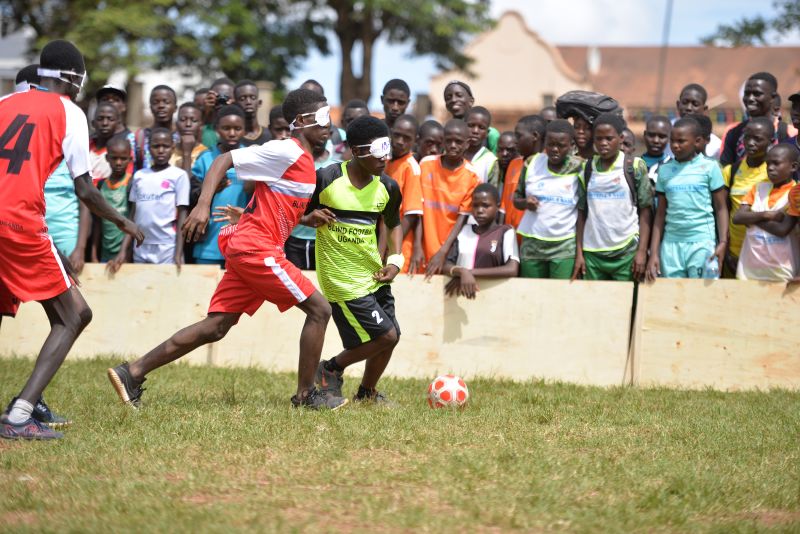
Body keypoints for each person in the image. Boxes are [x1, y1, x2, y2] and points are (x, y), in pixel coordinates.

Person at [107, 88, 347, 411]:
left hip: (250, 246)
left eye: (329, 116)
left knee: (216, 325)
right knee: (320, 309)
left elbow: (275, 202)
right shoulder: (286, 151)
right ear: (301, 122)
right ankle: (306, 396)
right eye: (321, 117)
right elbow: (224, 159)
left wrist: (305, 216)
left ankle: (132, 372)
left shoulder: (300, 160)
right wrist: (203, 205)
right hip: (257, 248)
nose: (328, 124)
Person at [0, 40, 143, 440]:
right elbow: (85, 189)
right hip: (18, 222)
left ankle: (30, 403)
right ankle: (19, 415)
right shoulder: (69, 112)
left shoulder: (4, 102)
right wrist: (123, 222)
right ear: (72, 77)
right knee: (75, 314)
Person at [309, 116, 403, 403]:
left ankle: (366, 393)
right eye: (377, 151)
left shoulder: (387, 187)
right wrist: (308, 218)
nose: (384, 158)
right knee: (385, 336)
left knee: (393, 335)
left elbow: (393, 222)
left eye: (386, 150)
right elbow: (294, 212)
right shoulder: (326, 179)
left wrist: (395, 261)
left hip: (373, 275)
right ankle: (330, 369)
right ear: (354, 150)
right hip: (341, 279)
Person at [573, 113, 653, 281]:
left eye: (609, 138)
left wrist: (641, 252)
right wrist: (579, 254)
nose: (603, 144)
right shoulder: (587, 168)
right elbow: (581, 213)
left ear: (621, 138)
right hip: (592, 253)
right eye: (598, 139)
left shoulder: (635, 166)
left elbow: (646, 211)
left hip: (626, 252)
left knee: (624, 304)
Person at [647, 117, 729, 280]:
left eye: (681, 141)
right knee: (674, 298)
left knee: (701, 297)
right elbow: (660, 215)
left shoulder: (709, 167)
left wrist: (723, 242)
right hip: (671, 245)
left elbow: (721, 208)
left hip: (702, 243)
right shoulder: (664, 170)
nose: (675, 145)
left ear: (697, 141)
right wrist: (654, 253)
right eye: (673, 141)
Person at [514, 119, 583, 279]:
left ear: (571, 145)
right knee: (532, 297)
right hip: (532, 245)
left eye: (561, 145)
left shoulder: (580, 167)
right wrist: (525, 203)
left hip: (564, 246)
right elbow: (516, 199)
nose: (555, 150)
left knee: (559, 298)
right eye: (550, 144)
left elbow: (583, 209)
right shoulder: (532, 163)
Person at [119, 128, 189, 268]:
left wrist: (178, 252)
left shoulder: (179, 176)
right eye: (156, 146)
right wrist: (123, 251)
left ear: (173, 148)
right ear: (148, 148)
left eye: (166, 146)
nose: (161, 150)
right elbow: (133, 215)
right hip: (141, 245)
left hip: (167, 246)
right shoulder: (139, 176)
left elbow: (182, 215)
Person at [420, 119, 481, 277]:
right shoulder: (426, 165)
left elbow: (462, 218)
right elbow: (418, 211)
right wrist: (416, 246)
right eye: (449, 141)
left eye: (458, 142)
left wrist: (443, 252)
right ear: (443, 141)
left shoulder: (472, 175)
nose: (453, 145)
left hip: (449, 248)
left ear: (467, 144)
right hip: (423, 244)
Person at [192, 105, 248, 267]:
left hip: (242, 244)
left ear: (244, 130)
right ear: (216, 129)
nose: (232, 133)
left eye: (237, 128)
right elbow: (192, 195)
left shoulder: (252, 156)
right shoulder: (205, 158)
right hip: (209, 244)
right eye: (226, 128)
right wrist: (210, 188)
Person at [733, 144, 799, 281]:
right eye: (768, 163)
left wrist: (752, 218)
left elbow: (782, 229)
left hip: (781, 270)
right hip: (749, 268)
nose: (770, 168)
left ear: (793, 167)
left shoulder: (795, 193)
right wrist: (766, 215)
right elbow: (738, 217)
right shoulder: (758, 188)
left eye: (776, 163)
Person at [443, 183, 519, 299]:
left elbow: (512, 269)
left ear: (497, 206)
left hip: (495, 296)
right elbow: (447, 265)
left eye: (485, 206)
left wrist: (469, 273)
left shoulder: (505, 232)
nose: (479, 210)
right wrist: (461, 272)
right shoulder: (464, 231)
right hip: (462, 298)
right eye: (475, 206)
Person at [722, 116, 773, 275]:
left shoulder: (773, 174)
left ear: (771, 141)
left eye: (757, 139)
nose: (751, 143)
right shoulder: (731, 171)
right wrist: (725, 247)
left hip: (764, 253)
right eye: (747, 137)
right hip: (733, 253)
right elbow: (722, 211)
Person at [721, 72, 787, 166]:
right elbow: (726, 170)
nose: (750, 98)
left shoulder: (787, 133)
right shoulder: (734, 133)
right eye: (747, 93)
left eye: (757, 94)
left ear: (773, 97)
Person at [385, 114, 424, 274]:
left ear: (415, 140)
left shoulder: (411, 167)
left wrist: (392, 245)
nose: (400, 141)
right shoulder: (386, 162)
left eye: (406, 138)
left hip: (400, 246)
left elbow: (411, 215)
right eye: (397, 135)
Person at [94, 135, 134, 264]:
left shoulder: (131, 183)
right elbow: (98, 222)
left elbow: (133, 221)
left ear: (130, 159)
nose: (118, 162)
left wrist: (124, 252)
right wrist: (94, 254)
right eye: (114, 158)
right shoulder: (101, 186)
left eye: (123, 159)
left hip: (126, 255)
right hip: (105, 254)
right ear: (107, 158)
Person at [501, 115, 546, 227]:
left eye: (519, 136)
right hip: (511, 236)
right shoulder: (513, 164)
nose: (515, 141)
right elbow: (504, 204)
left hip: (533, 236)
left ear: (535, 136)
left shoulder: (547, 167)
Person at [443, 80, 499, 153]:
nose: (453, 100)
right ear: (446, 105)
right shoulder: (445, 132)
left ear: (471, 101)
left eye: (459, 95)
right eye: (448, 97)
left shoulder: (491, 135)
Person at [134, 85, 178, 171]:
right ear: (150, 108)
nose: (161, 106)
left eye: (166, 102)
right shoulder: (141, 137)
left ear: (175, 108)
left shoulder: (181, 138)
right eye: (155, 102)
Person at [674, 83, 722, 159]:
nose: (689, 108)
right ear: (678, 105)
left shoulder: (715, 146)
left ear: (705, 109)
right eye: (685, 102)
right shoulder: (665, 133)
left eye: (695, 104)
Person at [89, 102, 124, 185]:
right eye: (100, 119)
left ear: (117, 124)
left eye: (110, 119)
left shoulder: (123, 151)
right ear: (93, 123)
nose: (105, 123)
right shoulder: (83, 148)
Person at [464, 106, 499, 185]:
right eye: (471, 125)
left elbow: (491, 192)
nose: (475, 131)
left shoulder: (490, 161)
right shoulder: (453, 153)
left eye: (481, 127)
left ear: (487, 132)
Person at [201, 77, 235, 148]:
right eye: (218, 97)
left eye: (226, 97)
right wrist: (205, 111)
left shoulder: (242, 131)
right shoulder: (202, 131)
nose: (221, 100)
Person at [235, 79, 271, 146]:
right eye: (242, 99)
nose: (248, 102)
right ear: (235, 104)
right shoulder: (232, 138)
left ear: (259, 103)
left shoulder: (271, 136)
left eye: (253, 98)